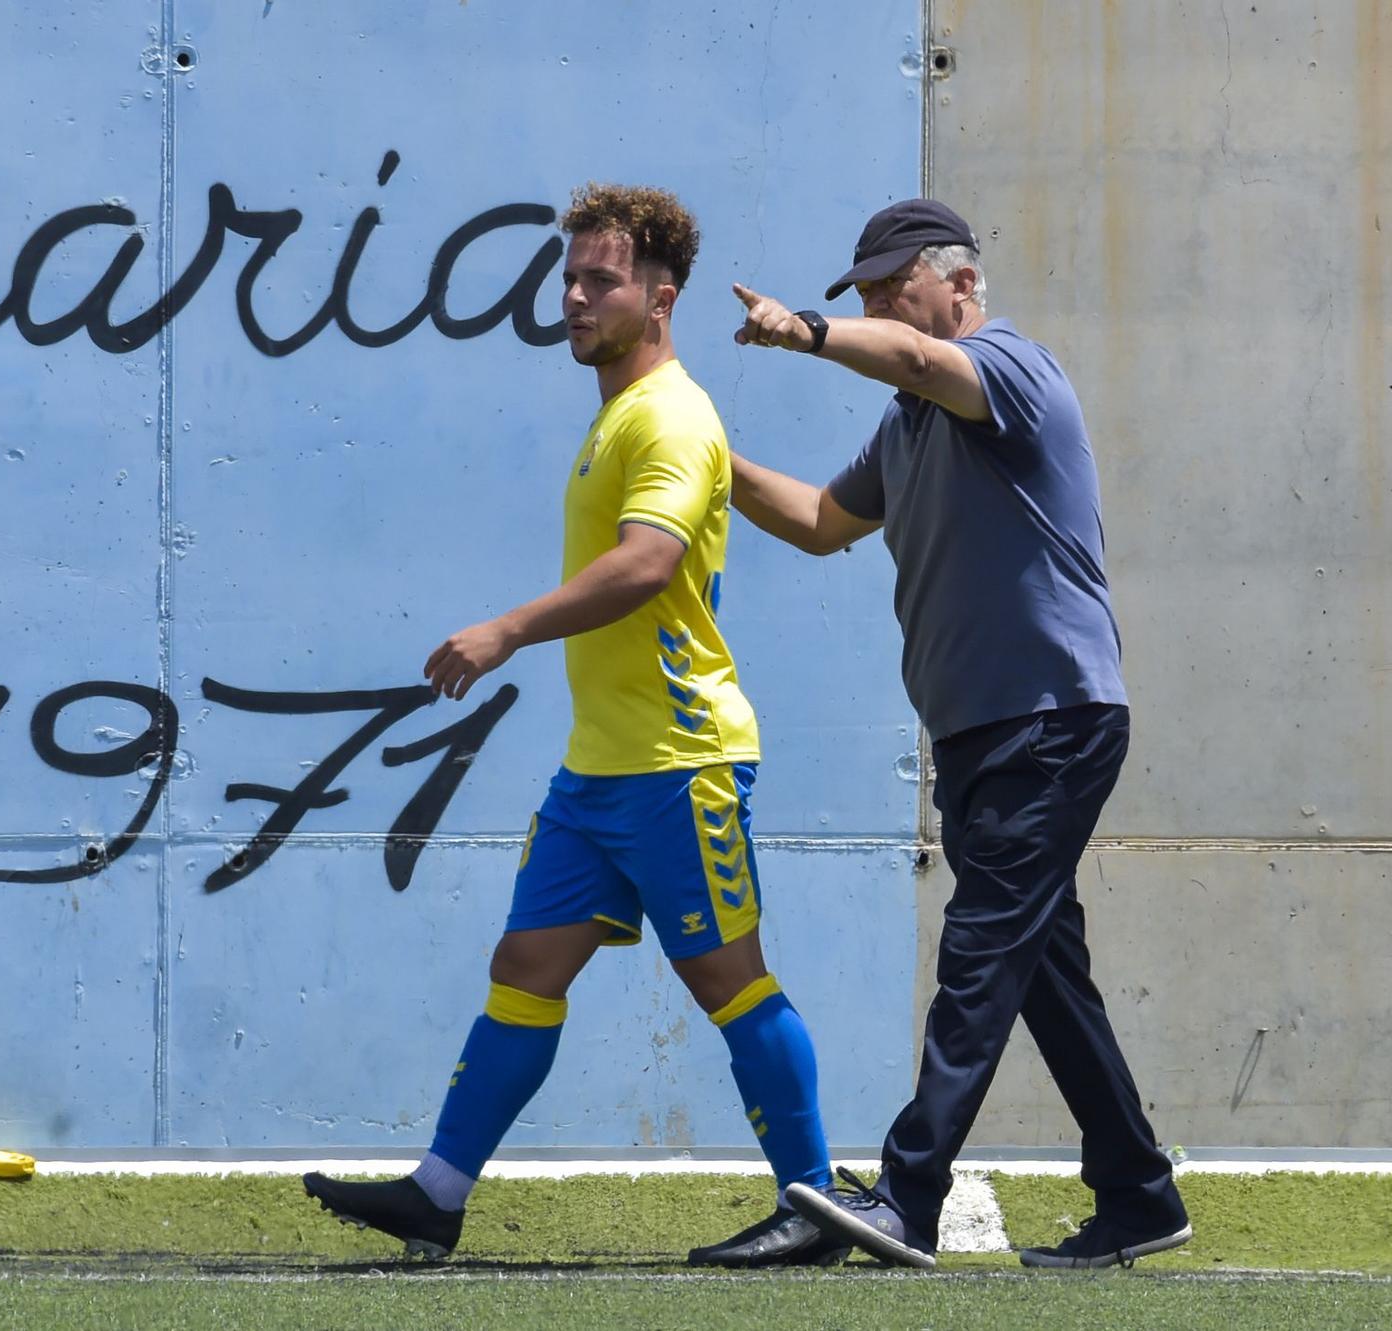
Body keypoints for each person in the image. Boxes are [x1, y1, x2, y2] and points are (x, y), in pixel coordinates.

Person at [303, 184, 845, 1267]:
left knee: (726, 978)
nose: (572, 296)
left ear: (659, 298)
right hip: (599, 769)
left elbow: (645, 564)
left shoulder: (669, 414)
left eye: (599, 279)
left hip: (677, 761)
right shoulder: (620, 414)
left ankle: (815, 1203)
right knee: (526, 961)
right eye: (569, 276)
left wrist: (505, 630)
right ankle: (438, 1192)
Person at [726, 198, 1192, 1271]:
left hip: (1051, 719)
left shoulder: (1008, 370)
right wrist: (709, 456)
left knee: (979, 954)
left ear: (959, 285)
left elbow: (913, 359)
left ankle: (906, 1191)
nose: (884, 306)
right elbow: (815, 523)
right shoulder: (905, 424)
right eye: (870, 293)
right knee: (1037, 969)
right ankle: (1136, 1191)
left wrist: (805, 330)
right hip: (979, 733)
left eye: (897, 286)